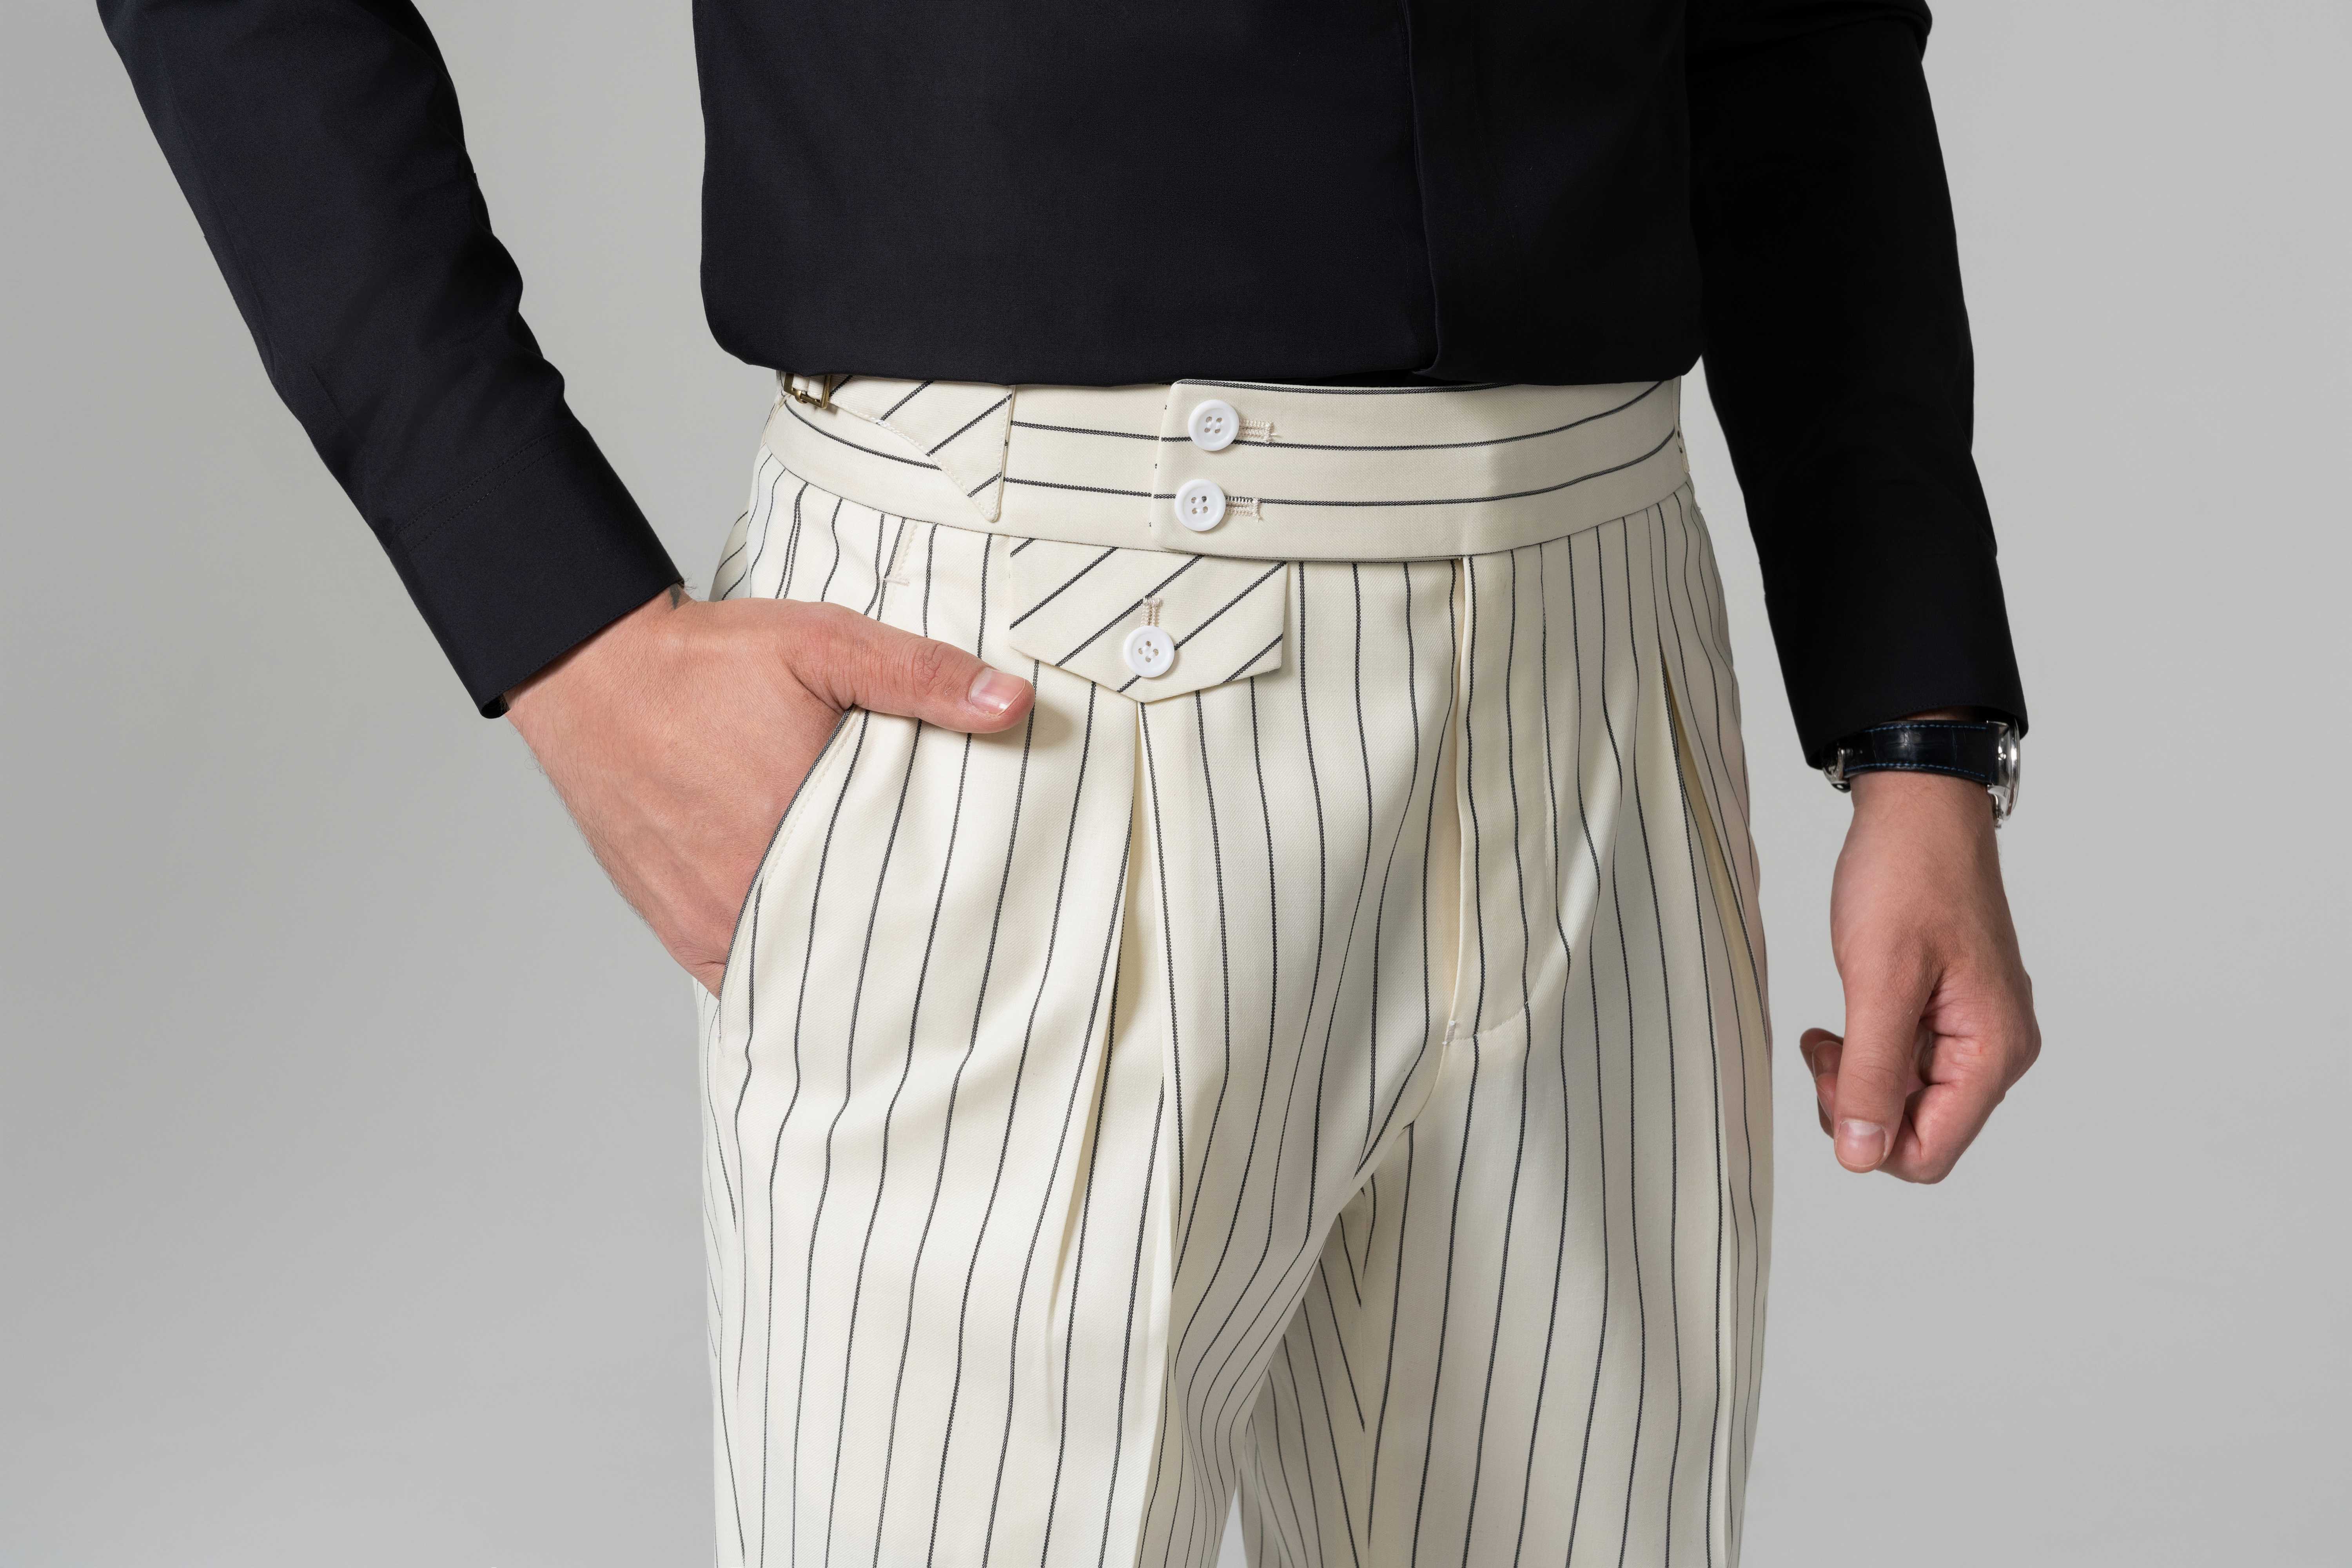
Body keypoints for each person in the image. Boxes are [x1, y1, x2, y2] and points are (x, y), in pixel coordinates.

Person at [98, 0, 2040, 1562]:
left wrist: (1917, 719)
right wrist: (560, 628)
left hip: (1597, 647)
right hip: (1017, 675)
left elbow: (1801, 34)